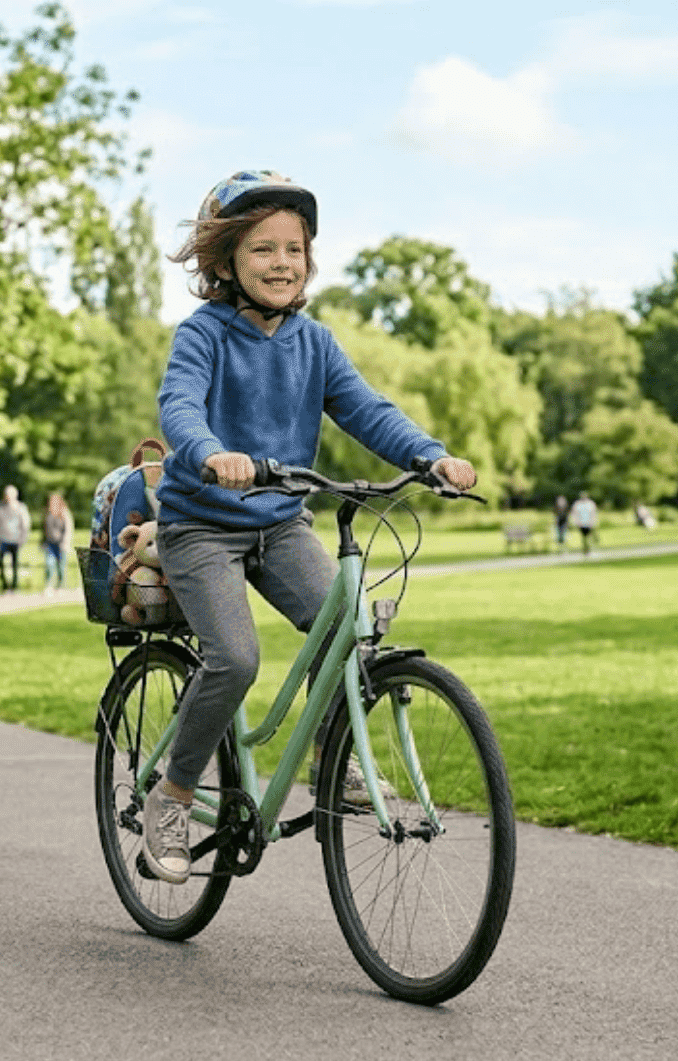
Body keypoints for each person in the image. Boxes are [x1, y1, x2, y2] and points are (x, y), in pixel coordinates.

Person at [140, 169, 478, 885]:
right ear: (225, 262)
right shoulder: (204, 334)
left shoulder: (314, 343)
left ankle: (336, 758)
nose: (282, 263)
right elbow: (180, 407)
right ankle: (170, 798)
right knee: (233, 658)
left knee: (349, 627)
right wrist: (208, 455)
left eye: (294, 249)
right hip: (202, 525)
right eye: (262, 249)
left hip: (281, 522)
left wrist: (431, 456)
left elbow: (366, 408)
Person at [0, 484, 29, 593]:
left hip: (15, 539)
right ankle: (5, 585)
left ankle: (15, 586)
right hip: (3, 539)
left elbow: (25, 524)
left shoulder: (21, 508)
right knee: (1, 563)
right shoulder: (0, 507)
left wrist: (23, 538)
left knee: (15, 564)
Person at [40, 491, 73, 596]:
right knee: (49, 564)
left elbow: (68, 529)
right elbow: (43, 529)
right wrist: (42, 542)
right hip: (49, 543)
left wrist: (66, 542)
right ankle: (48, 586)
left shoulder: (64, 513)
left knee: (61, 566)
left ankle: (61, 586)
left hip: (61, 543)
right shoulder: (46, 513)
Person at [569, 491, 599, 556]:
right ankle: (585, 549)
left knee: (588, 537)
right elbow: (574, 513)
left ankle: (588, 548)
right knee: (584, 537)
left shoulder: (590, 504)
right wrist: (575, 522)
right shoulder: (577, 504)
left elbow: (594, 513)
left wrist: (594, 522)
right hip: (581, 523)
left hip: (589, 523)